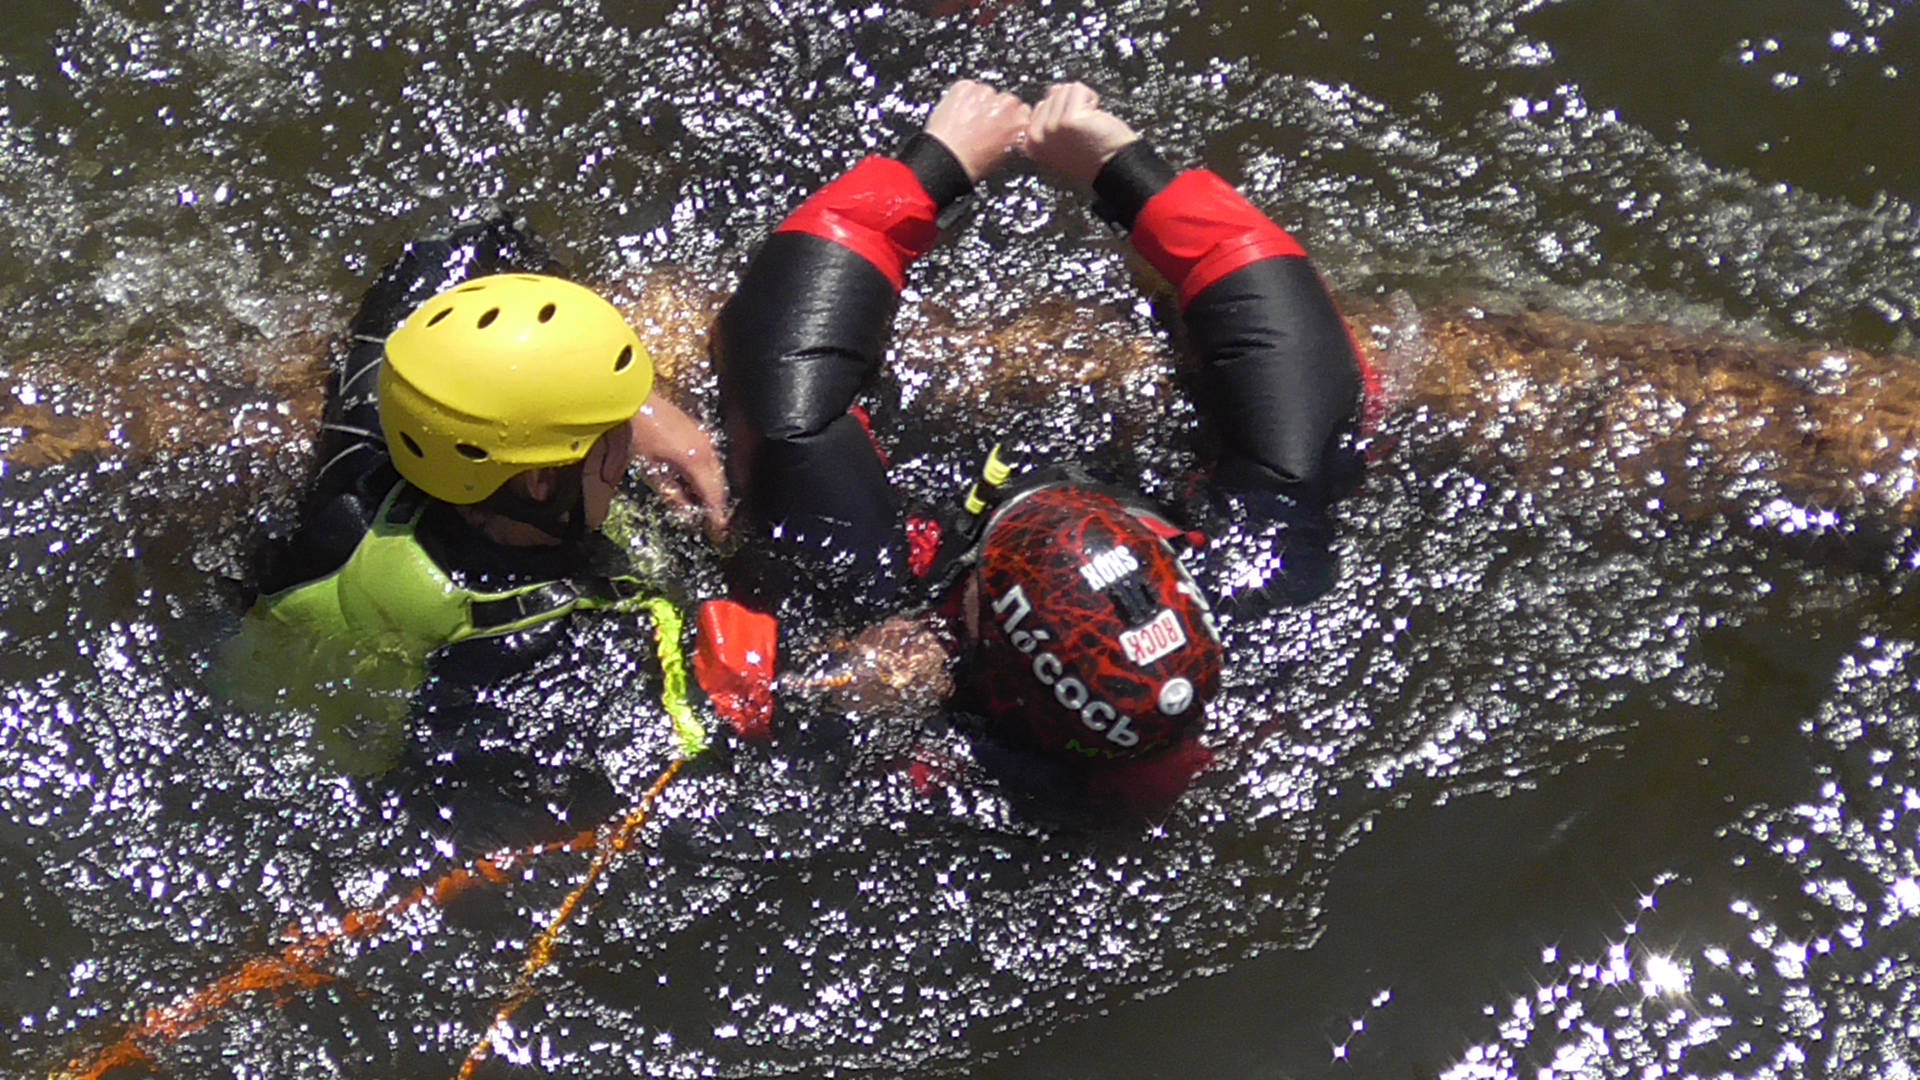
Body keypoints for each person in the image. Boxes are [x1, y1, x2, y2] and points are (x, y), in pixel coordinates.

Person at [695, 81, 1378, 810]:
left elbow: (778, 372)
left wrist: (935, 167)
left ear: (973, 641)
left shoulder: (887, 624)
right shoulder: (1257, 578)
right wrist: (1121, 166)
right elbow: (1301, 350)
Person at [223, 216, 728, 776]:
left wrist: (641, 405)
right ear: (541, 483)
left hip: (249, 705)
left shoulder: (362, 464)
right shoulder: (551, 645)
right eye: (615, 435)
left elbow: (460, 241)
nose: (631, 442)